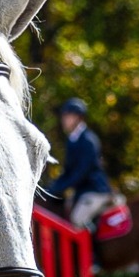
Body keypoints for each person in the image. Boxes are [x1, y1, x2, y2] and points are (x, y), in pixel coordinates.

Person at [49, 97, 119, 231]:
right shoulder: (72, 140)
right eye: (64, 116)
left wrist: (60, 187)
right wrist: (52, 188)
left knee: (77, 219)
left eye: (68, 116)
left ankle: (92, 251)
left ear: (78, 118)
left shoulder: (88, 140)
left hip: (95, 190)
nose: (64, 120)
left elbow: (82, 172)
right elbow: (68, 171)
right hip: (82, 191)